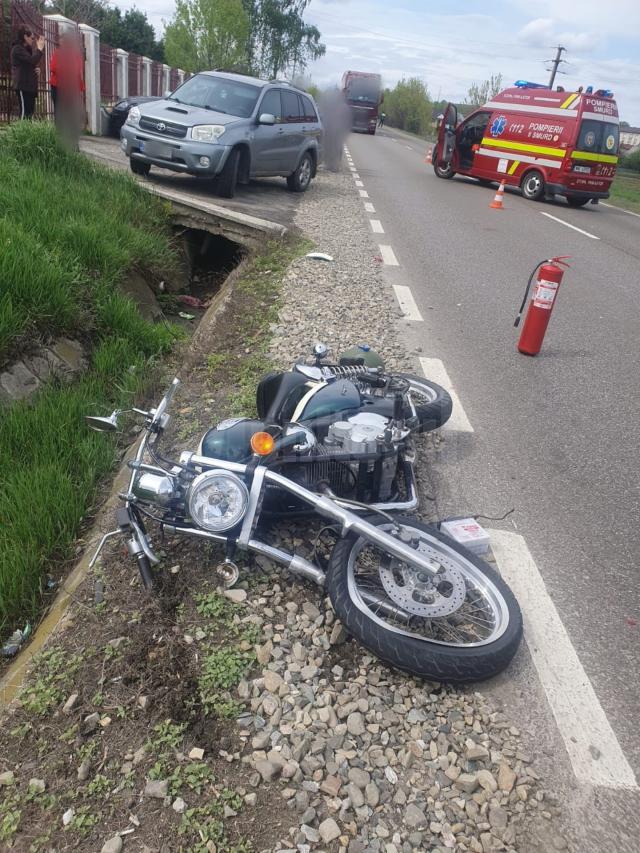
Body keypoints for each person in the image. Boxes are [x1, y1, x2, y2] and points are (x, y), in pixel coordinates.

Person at [49, 31, 85, 126]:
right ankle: (60, 133)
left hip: (67, 87)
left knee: (67, 110)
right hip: (60, 86)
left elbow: (77, 71)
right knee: (61, 109)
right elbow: (53, 68)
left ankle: (67, 133)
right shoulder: (59, 53)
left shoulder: (74, 55)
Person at [11, 27, 45, 120]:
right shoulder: (17, 49)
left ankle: (26, 134)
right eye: (32, 38)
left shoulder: (27, 49)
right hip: (23, 86)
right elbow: (31, 60)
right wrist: (39, 49)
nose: (33, 40)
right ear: (25, 36)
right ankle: (20, 134)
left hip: (30, 87)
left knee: (29, 114)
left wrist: (36, 70)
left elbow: (29, 64)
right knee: (24, 113)